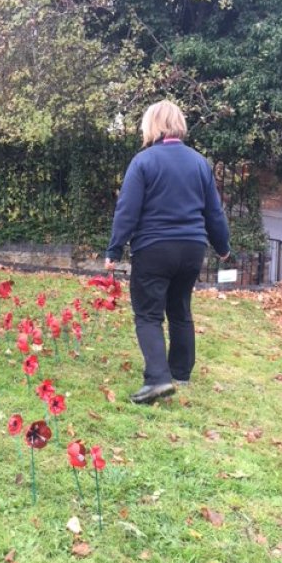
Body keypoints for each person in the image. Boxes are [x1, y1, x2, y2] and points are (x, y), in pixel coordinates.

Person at [105, 100, 230, 405]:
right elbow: (215, 211)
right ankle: (181, 373)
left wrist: (115, 248)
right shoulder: (200, 162)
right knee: (180, 309)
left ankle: (158, 379)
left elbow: (127, 210)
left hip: (154, 248)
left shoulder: (144, 161)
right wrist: (223, 246)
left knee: (148, 314)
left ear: (152, 125)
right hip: (192, 249)